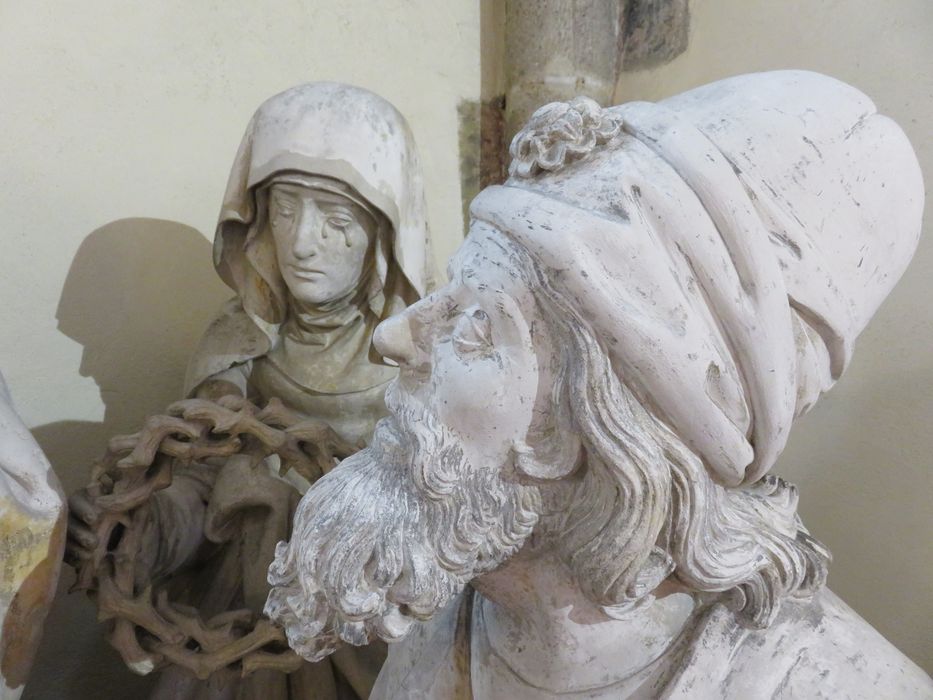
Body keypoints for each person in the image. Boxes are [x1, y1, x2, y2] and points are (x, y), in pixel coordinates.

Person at [264, 71, 932, 698]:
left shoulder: (827, 683)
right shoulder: (444, 613)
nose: (391, 338)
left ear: (605, 428)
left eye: (473, 327)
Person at [68, 82, 436, 700]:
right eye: (286, 211)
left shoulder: (429, 359)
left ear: (384, 234)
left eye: (336, 220)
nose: (302, 243)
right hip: (241, 633)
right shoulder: (239, 340)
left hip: (374, 633)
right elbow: (195, 486)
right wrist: (135, 527)